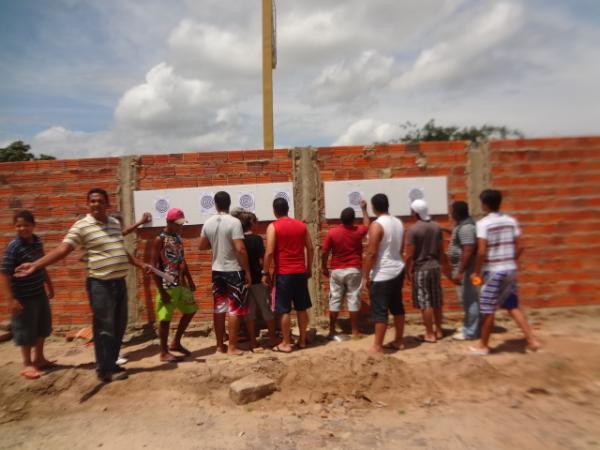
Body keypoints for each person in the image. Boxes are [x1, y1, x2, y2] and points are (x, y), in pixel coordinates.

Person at [15, 188, 150, 383]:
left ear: (107, 204)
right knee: (104, 327)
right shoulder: (82, 226)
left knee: (119, 326)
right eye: (92, 201)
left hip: (119, 283)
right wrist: (36, 264)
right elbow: (64, 249)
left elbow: (120, 250)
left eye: (100, 201)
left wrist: (139, 263)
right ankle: (105, 370)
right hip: (100, 284)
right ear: (88, 204)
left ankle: (110, 362)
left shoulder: (113, 223)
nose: (96, 204)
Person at [469, 189, 541, 355]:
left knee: (488, 308)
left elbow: (481, 251)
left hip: (492, 270)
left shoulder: (483, 224)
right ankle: (532, 340)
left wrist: (477, 272)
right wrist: (511, 261)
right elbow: (520, 245)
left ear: (485, 204)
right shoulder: (511, 221)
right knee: (512, 305)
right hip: (509, 269)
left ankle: (483, 346)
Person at [0, 210, 55, 380]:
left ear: (33, 225)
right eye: (18, 226)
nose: (22, 228)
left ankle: (39, 358)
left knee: (42, 326)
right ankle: (27, 364)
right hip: (23, 297)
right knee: (25, 330)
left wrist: (49, 284)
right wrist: (11, 299)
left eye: (26, 225)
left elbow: (41, 264)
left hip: (39, 293)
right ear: (14, 227)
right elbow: (4, 274)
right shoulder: (13, 247)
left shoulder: (37, 242)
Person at [199, 191, 252, 356]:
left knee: (219, 308)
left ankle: (219, 346)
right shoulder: (234, 222)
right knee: (234, 309)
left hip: (217, 270)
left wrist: (216, 245)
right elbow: (240, 248)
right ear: (229, 204)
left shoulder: (208, 222)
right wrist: (247, 271)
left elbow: (201, 245)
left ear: (215, 204)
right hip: (233, 269)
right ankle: (232, 347)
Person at [262, 197, 313, 353]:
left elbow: (269, 251)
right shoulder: (301, 226)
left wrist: (265, 272)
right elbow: (310, 249)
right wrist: (308, 268)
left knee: (283, 309)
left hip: (284, 273)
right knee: (301, 307)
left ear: (274, 210)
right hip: (300, 271)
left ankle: (285, 343)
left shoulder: (273, 227)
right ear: (287, 208)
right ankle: (303, 341)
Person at [151, 208, 197, 362]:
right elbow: (154, 266)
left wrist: (189, 280)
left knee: (190, 310)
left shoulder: (177, 237)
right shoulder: (160, 239)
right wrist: (161, 290)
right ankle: (163, 352)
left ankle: (176, 342)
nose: (180, 226)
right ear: (169, 222)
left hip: (180, 283)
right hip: (166, 285)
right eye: (178, 224)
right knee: (165, 319)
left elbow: (182, 260)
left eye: (181, 224)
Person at [362, 194, 406, 354]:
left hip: (383, 273)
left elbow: (372, 252)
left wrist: (365, 275)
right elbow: (401, 249)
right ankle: (399, 340)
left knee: (380, 310)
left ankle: (378, 346)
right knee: (397, 306)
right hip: (398, 268)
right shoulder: (398, 223)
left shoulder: (377, 225)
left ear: (374, 207)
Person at [321, 201, 370, 339]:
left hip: (337, 270)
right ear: (353, 220)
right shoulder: (358, 231)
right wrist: (364, 209)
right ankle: (355, 331)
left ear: (340, 219)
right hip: (354, 269)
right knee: (353, 299)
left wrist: (323, 267)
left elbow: (324, 252)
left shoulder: (332, 233)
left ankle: (331, 330)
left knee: (335, 299)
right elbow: (367, 225)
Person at [405, 199, 451, 343]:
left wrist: (407, 271)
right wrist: (446, 267)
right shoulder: (436, 227)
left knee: (425, 302)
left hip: (421, 269)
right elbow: (441, 250)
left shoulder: (413, 230)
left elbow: (410, 255)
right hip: (435, 267)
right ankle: (438, 330)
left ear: (415, 212)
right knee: (436, 301)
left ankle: (429, 334)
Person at [231, 209, 279, 349]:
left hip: (243, 280)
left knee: (249, 312)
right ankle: (272, 337)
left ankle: (252, 340)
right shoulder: (257, 239)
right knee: (266, 308)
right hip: (257, 278)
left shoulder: (237, 240)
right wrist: (266, 273)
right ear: (251, 223)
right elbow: (262, 259)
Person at [447, 201, 480, 340]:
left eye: (452, 211)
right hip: (464, 268)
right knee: (465, 299)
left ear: (457, 212)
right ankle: (469, 325)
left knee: (470, 299)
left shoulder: (466, 227)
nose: (451, 214)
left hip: (467, 270)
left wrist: (460, 271)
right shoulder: (463, 225)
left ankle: (471, 331)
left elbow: (468, 250)